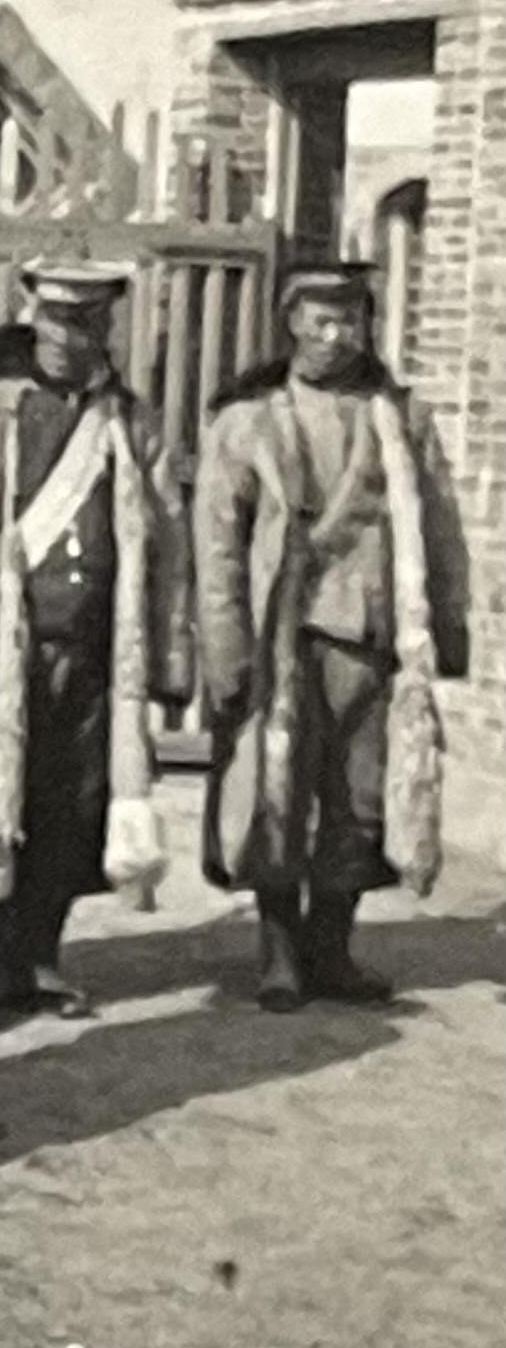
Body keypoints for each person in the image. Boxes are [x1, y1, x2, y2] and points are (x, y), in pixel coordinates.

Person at [0, 262, 189, 1030]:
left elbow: (167, 539)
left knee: (72, 809)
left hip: (91, 651)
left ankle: (39, 958)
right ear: (35, 318)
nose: (68, 336)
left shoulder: (128, 422)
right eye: (57, 319)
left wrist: (169, 650)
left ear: (106, 327)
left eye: (86, 321)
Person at [195, 261, 469, 1011]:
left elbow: (440, 528)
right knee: (274, 796)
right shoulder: (246, 421)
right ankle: (279, 954)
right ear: (291, 322)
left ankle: (331, 948)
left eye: (348, 319)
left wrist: (446, 626)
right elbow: (217, 547)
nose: (334, 333)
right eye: (318, 318)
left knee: (360, 801)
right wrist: (225, 648)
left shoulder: (400, 419)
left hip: (369, 643)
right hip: (279, 640)